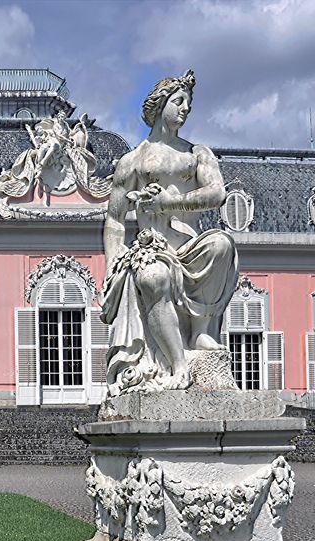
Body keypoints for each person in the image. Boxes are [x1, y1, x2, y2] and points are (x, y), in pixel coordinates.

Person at [101, 71, 238, 395]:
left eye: (188, 103)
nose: (185, 108)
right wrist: (113, 262)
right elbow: (115, 220)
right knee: (151, 277)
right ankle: (178, 364)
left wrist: (170, 201)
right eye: (178, 101)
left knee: (221, 244)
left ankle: (202, 331)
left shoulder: (197, 154)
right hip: (153, 246)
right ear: (160, 104)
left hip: (190, 246)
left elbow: (217, 193)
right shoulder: (132, 161)